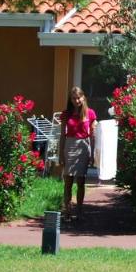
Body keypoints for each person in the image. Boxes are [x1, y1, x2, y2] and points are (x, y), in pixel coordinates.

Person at [58, 86, 96, 223]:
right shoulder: (66, 114)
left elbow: (92, 136)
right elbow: (62, 135)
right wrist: (60, 154)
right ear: (71, 99)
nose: (76, 100)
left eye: (78, 97)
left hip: (83, 147)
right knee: (68, 181)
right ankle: (67, 211)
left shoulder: (90, 113)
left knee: (81, 181)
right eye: (74, 98)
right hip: (69, 146)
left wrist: (92, 154)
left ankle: (79, 211)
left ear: (83, 97)